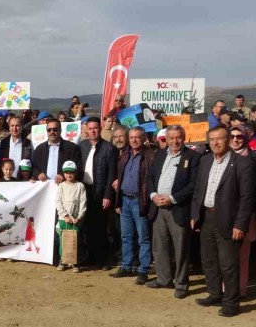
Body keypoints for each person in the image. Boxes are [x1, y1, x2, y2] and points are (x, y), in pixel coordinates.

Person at [190, 126, 255, 317]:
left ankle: (231, 302)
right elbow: (198, 190)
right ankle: (214, 294)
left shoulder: (243, 164)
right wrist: (195, 215)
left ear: (227, 140)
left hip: (229, 220)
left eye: (219, 139)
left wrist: (240, 224)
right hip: (206, 217)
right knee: (209, 260)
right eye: (211, 139)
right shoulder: (205, 160)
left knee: (228, 263)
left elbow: (247, 198)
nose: (215, 143)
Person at [145, 125, 201, 299]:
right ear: (166, 139)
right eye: (171, 138)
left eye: (178, 137)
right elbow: (151, 177)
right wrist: (153, 195)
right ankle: (164, 278)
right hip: (158, 207)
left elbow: (193, 184)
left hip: (178, 208)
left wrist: (172, 198)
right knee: (159, 246)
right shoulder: (160, 154)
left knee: (181, 248)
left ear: (184, 138)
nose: (175, 141)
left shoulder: (193, 157)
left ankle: (182, 283)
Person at [112, 127, 155, 284]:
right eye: (131, 137)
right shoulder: (125, 155)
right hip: (125, 200)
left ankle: (143, 270)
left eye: (137, 137)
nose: (134, 140)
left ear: (143, 138)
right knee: (126, 236)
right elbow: (120, 176)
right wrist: (118, 200)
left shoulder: (150, 155)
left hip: (140, 201)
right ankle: (126, 266)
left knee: (143, 238)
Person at [78, 117, 118, 269]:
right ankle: (89, 257)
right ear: (86, 130)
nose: (93, 131)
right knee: (87, 226)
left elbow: (111, 174)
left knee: (100, 227)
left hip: (100, 191)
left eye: (95, 128)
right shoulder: (82, 146)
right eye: (90, 128)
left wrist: (108, 195)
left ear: (100, 129)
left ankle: (102, 259)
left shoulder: (109, 148)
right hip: (84, 191)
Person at [55, 160, 87, 272]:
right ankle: (63, 261)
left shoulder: (80, 186)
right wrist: (65, 215)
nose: (69, 175)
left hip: (75, 219)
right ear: (64, 173)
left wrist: (79, 216)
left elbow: (83, 203)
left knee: (75, 240)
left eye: (71, 172)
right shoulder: (61, 186)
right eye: (66, 172)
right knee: (63, 240)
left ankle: (74, 262)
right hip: (63, 219)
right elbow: (58, 202)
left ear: (76, 173)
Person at [31, 119, 82, 184]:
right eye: (49, 130)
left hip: (64, 185)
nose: (52, 132)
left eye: (55, 129)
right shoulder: (39, 149)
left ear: (60, 130)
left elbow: (77, 168)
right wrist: (38, 174)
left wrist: (63, 175)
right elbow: (33, 167)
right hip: (45, 186)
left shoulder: (72, 148)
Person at [0, 116, 33, 182]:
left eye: (17, 125)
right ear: (9, 127)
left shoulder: (28, 143)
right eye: (12, 126)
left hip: (22, 181)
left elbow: (33, 161)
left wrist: (33, 176)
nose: (14, 128)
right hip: (6, 181)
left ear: (21, 127)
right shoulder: (2, 143)